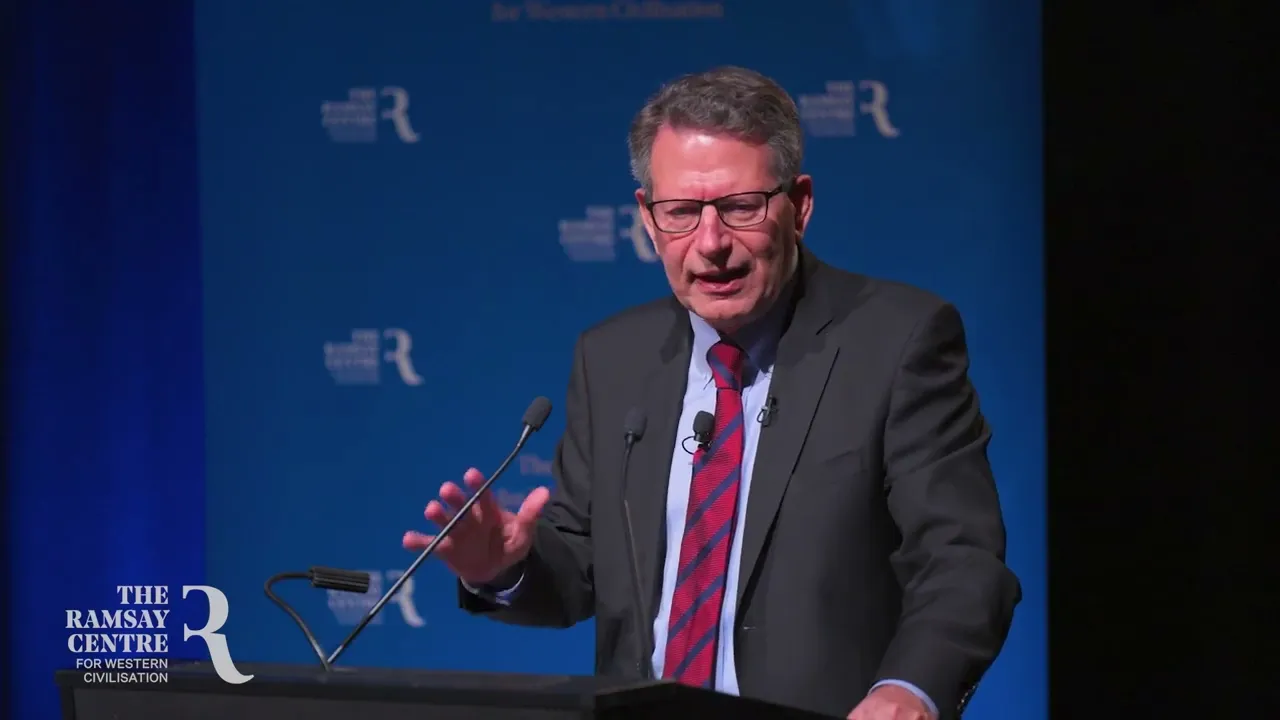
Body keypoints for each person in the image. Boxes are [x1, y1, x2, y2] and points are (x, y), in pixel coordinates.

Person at [403, 66, 1021, 720]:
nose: (711, 244)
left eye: (740, 207)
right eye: (680, 213)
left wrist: (909, 690)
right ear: (647, 219)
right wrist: (505, 568)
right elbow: (582, 570)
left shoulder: (896, 343)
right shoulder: (612, 358)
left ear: (800, 205)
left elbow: (961, 562)